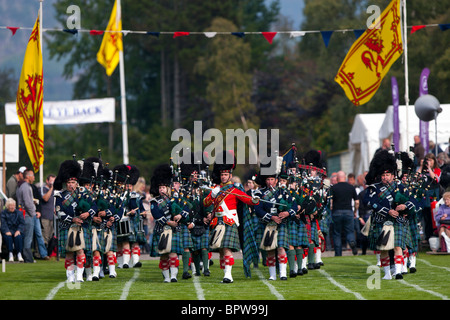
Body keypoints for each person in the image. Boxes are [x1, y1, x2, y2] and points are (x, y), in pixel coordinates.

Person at [203, 150, 260, 283]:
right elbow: (205, 203)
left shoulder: (235, 190)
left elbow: (248, 200)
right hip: (217, 222)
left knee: (227, 248)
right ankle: (225, 273)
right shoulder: (215, 189)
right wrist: (212, 195)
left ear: (230, 175)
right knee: (222, 251)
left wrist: (255, 199)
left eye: (225, 174)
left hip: (230, 221)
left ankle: (228, 275)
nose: (223, 176)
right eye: (222, 174)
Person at [363, 149, 416, 280]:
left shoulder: (401, 187)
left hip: (397, 221)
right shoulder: (374, 188)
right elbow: (369, 202)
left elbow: (413, 201)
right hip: (382, 221)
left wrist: (404, 206)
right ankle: (387, 273)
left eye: (387, 175)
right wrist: (387, 211)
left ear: (393, 175)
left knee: (398, 246)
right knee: (384, 249)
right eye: (383, 175)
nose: (385, 177)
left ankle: (397, 271)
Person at [254, 160, 297, 281]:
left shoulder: (284, 192)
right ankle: (272, 275)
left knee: (281, 247)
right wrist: (271, 217)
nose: (269, 182)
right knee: (270, 249)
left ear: (276, 180)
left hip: (282, 223)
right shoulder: (261, 194)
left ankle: (283, 273)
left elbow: (294, 206)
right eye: (267, 180)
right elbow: (258, 209)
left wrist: (287, 213)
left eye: (272, 179)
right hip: (269, 224)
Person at [54, 159, 96, 282]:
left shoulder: (83, 194)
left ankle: (79, 276)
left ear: (77, 183)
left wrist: (88, 213)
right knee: (69, 253)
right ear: (65, 183)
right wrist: (72, 219)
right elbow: (59, 212)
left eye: (73, 182)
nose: (71, 185)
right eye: (69, 182)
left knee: (80, 250)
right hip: (67, 226)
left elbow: (94, 206)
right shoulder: (60, 196)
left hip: (81, 227)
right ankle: (70, 275)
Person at [150, 163, 191, 283]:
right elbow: (156, 215)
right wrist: (168, 222)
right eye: (159, 188)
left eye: (163, 187)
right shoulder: (155, 202)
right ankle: (166, 277)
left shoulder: (176, 199)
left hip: (174, 231)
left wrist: (180, 215)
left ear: (168, 188)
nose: (161, 189)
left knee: (173, 254)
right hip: (162, 230)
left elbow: (188, 207)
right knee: (164, 255)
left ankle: (173, 276)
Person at [16, 169, 49, 262]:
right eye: (32, 176)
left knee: (27, 237)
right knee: (28, 237)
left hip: (24, 213)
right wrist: (33, 213)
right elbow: (27, 203)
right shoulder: (26, 187)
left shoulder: (20, 186)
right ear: (28, 176)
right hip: (28, 215)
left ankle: (26, 256)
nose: (34, 178)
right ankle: (28, 258)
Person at [330, 171, 359, 256]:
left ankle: (338, 253)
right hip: (348, 211)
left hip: (337, 212)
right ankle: (352, 242)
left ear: (337, 178)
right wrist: (354, 212)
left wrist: (331, 208)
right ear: (345, 177)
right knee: (350, 232)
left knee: (337, 233)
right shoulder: (351, 187)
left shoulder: (333, 188)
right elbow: (357, 202)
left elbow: (330, 201)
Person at [40, 174, 56, 249]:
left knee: (50, 236)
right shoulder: (43, 189)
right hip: (45, 216)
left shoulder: (54, 191)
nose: (53, 183)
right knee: (44, 236)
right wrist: (51, 188)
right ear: (47, 181)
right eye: (51, 181)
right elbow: (45, 198)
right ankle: (40, 253)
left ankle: (48, 252)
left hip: (52, 216)